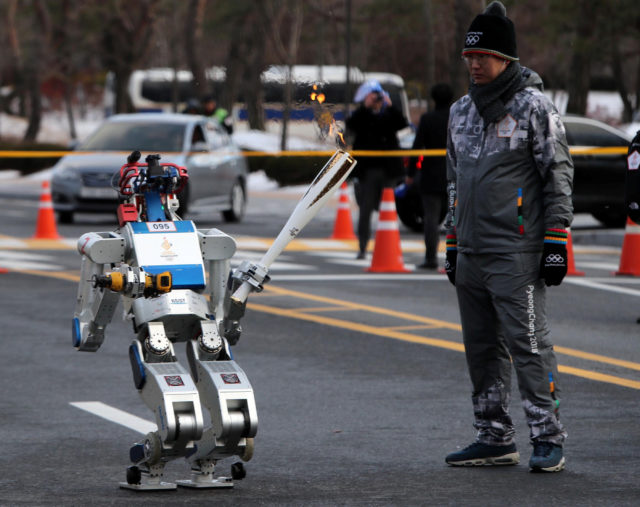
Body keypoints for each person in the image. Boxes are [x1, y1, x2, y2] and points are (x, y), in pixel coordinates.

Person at [443, 1, 573, 473]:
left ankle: (548, 437)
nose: (475, 64)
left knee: (530, 345)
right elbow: (454, 180)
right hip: (473, 251)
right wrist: (453, 242)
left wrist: (556, 238)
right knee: (481, 349)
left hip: (516, 251)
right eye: (469, 57)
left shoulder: (535, 108)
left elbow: (556, 173)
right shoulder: (460, 112)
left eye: (485, 57)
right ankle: (494, 437)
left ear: (507, 60)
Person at [346, 80, 408, 259]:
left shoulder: (389, 115)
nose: (377, 100)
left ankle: (390, 245)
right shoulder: (362, 115)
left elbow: (402, 123)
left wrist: (389, 106)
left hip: (388, 169)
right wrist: (365, 107)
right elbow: (351, 125)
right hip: (368, 170)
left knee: (388, 209)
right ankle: (363, 246)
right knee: (365, 208)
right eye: (373, 97)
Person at [406, 83, 454, 269]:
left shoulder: (427, 119)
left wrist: (411, 174)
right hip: (454, 175)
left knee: (431, 219)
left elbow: (417, 147)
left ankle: (430, 258)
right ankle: (453, 258)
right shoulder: (457, 118)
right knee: (455, 218)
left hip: (431, 175)